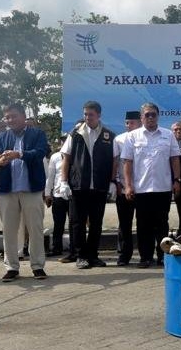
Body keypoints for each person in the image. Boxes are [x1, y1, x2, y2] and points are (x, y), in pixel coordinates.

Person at [0, 103, 50, 282]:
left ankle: (38, 266)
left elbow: (40, 153)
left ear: (23, 116)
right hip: (7, 190)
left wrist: (19, 154)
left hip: (31, 189)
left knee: (35, 228)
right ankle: (11, 267)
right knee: (9, 230)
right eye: (7, 117)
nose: (10, 120)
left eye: (14, 116)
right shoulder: (1, 137)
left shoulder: (37, 134)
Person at [120, 103, 181, 268]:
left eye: (153, 114)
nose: (151, 117)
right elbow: (127, 162)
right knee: (143, 225)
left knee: (162, 223)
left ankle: (163, 256)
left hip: (163, 188)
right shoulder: (132, 136)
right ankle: (145, 257)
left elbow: (175, 159)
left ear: (158, 116)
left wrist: (177, 180)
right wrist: (128, 185)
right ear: (141, 117)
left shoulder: (168, 135)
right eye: (147, 115)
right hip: (142, 189)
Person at [59, 100, 116, 269]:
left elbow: (114, 161)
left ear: (98, 115)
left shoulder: (108, 135)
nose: (87, 117)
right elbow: (66, 158)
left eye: (90, 114)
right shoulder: (75, 133)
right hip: (78, 186)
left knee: (96, 223)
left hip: (99, 186)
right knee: (78, 223)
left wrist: (112, 182)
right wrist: (63, 182)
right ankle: (81, 255)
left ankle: (93, 255)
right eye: (85, 114)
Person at [110, 111, 141, 266]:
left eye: (132, 122)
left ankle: (145, 255)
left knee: (145, 223)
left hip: (143, 188)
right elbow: (115, 162)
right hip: (124, 187)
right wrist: (116, 183)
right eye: (127, 123)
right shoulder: (119, 139)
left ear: (140, 122)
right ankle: (124, 255)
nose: (129, 126)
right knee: (124, 224)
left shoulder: (145, 138)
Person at [44, 136, 69, 257]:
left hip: (72, 194)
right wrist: (48, 194)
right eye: (62, 140)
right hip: (58, 194)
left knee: (75, 223)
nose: (64, 142)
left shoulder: (77, 154)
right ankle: (56, 248)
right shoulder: (55, 157)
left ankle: (75, 249)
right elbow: (50, 177)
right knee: (58, 223)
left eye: (66, 140)